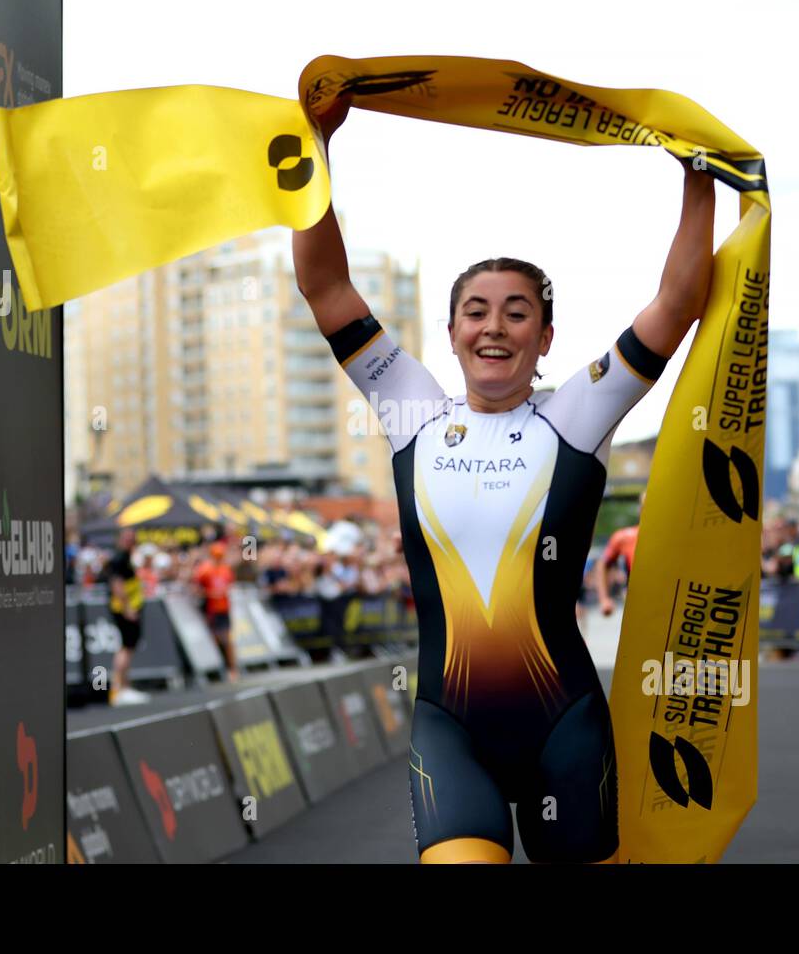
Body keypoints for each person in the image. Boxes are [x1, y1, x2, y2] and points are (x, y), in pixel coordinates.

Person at [291, 92, 714, 863]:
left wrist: (698, 174)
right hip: (451, 728)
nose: (495, 326)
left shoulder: (578, 414)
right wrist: (311, 152)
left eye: (517, 312)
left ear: (545, 335)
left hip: (566, 727)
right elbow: (326, 289)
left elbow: (680, 300)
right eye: (476, 311)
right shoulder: (409, 405)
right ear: (450, 333)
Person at [107, 527, 149, 706]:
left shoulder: (127, 557)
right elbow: (117, 585)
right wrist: (127, 608)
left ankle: (124, 687)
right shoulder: (119, 558)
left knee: (128, 648)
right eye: (126, 538)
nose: (130, 542)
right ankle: (119, 688)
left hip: (129, 607)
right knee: (125, 647)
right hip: (124, 609)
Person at [194, 540, 238, 681]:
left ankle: (232, 669)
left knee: (226, 639)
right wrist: (211, 594)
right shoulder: (205, 570)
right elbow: (197, 589)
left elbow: (230, 586)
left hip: (223, 608)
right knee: (215, 639)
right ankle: (221, 668)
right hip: (210, 608)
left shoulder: (226, 569)